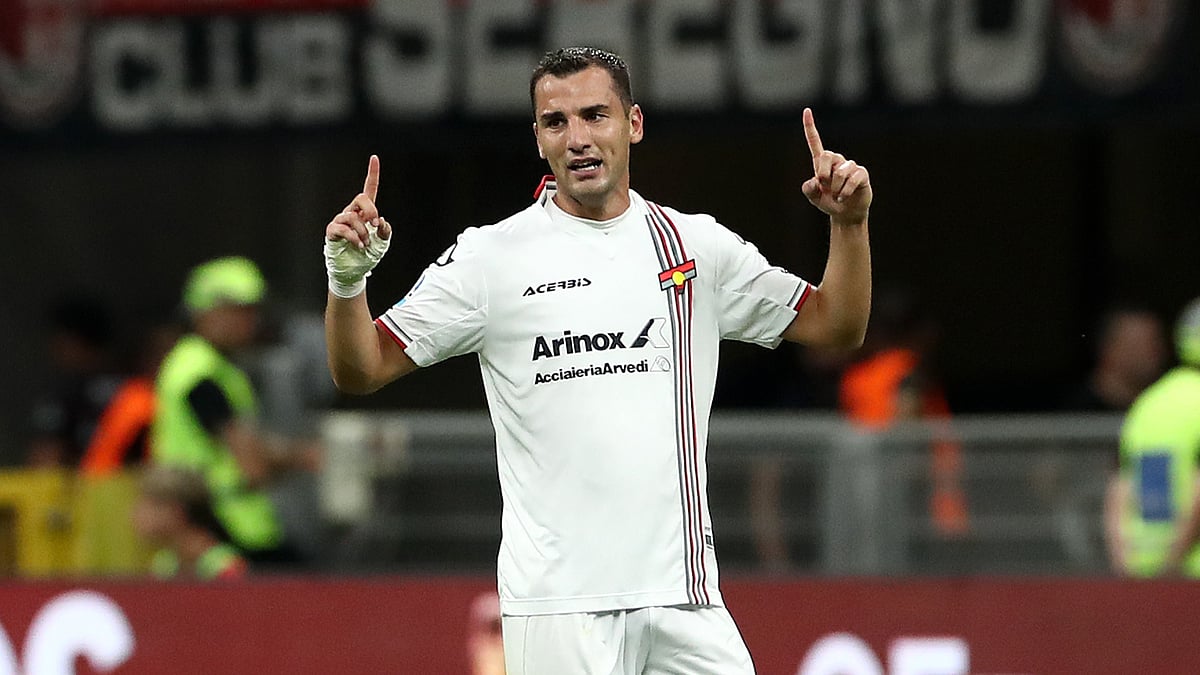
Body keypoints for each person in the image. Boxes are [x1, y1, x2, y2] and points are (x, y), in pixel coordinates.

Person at [323, 47, 872, 673]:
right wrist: (348, 281)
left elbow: (837, 326)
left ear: (632, 124)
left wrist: (849, 225)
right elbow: (360, 368)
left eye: (595, 116)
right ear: (538, 138)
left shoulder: (696, 247)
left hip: (685, 602)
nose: (578, 139)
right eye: (556, 123)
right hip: (558, 608)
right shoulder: (490, 260)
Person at [152, 256, 314, 569]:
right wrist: (299, 457)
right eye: (237, 311)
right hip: (221, 527)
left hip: (219, 525)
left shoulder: (208, 366)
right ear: (205, 312)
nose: (248, 321)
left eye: (252, 311)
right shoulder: (199, 374)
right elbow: (252, 465)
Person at [838, 289, 967, 536]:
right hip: (915, 498)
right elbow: (908, 430)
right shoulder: (908, 373)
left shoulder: (857, 376)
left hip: (862, 491)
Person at [1104, 297, 1200, 577]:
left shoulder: (1150, 402)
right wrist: (1172, 564)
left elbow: (1120, 489)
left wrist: (1125, 566)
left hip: (1142, 572)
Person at [133, 464, 248, 581]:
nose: (135, 514)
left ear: (176, 511)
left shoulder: (225, 566)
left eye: (148, 504)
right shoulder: (165, 563)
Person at [1063, 305, 1167, 412]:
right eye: (1141, 345)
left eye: (1157, 342)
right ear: (1108, 349)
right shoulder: (1071, 414)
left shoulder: (1164, 407)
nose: (1156, 352)